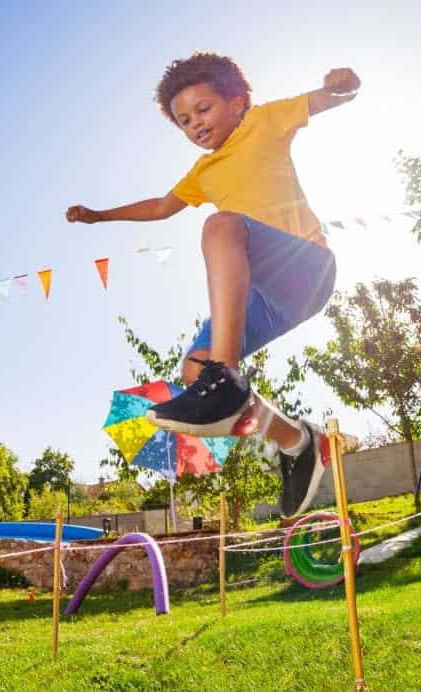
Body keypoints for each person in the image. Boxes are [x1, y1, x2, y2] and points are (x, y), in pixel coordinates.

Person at [66, 52, 359, 517]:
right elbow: (161, 206)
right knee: (193, 371)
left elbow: (326, 99)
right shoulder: (203, 171)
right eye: (184, 120)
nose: (194, 125)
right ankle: (297, 442)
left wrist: (343, 85)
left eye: (203, 109)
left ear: (237, 103)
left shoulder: (264, 121)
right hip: (267, 295)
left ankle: (225, 379)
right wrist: (100, 215)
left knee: (221, 227)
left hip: (305, 265)